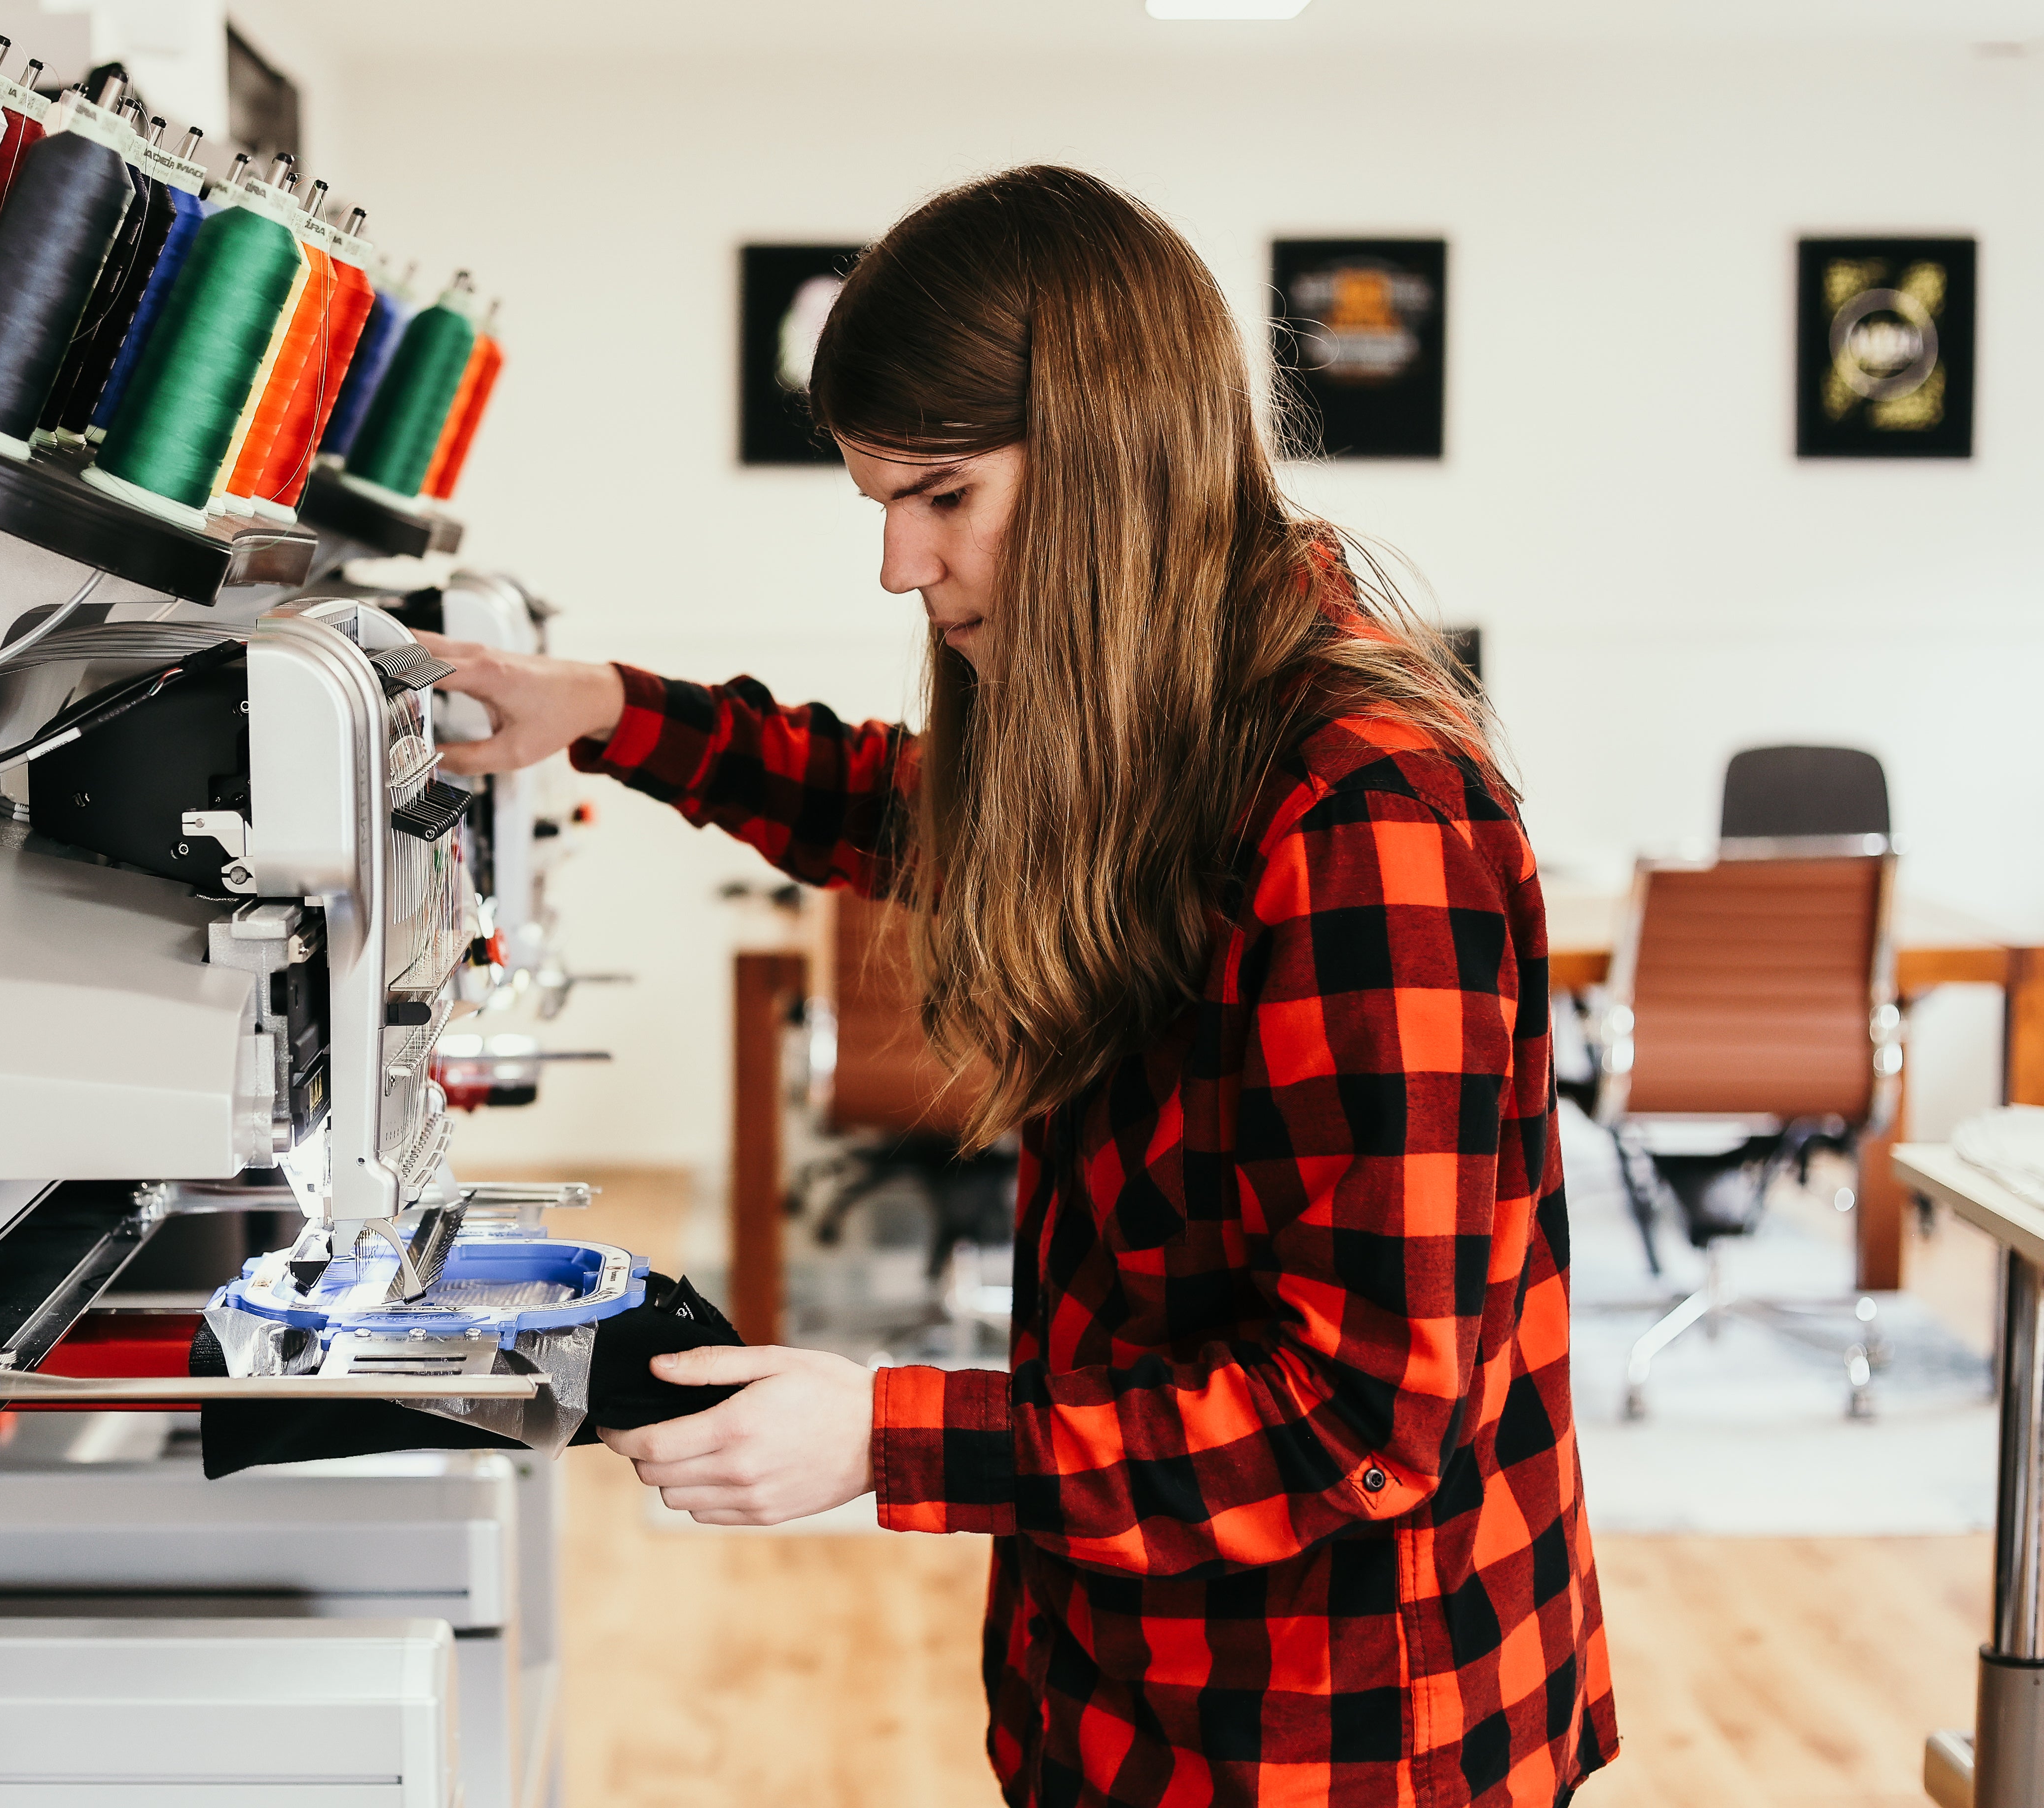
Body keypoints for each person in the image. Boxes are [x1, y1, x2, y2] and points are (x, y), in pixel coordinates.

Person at [423, 166, 1617, 1808]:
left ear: (1117, 452)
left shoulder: (1366, 817)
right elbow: (899, 803)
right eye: (881, 509)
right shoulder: (1162, 714)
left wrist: (891, 1434)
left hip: (1333, 1725)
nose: (902, 567)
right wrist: (608, 706)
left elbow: (1356, 1419)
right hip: (1123, 1669)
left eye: (942, 497)